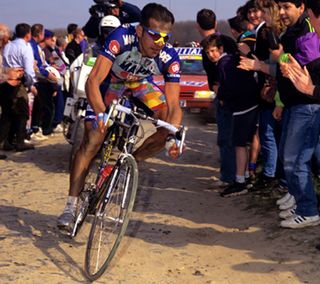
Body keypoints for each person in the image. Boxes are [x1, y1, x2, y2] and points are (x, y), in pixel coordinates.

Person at [57, 3, 183, 232]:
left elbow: (174, 105)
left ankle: (126, 165)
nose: (160, 43)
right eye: (155, 36)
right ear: (140, 31)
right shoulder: (121, 37)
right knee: (93, 138)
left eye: (166, 37)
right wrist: (100, 113)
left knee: (167, 127)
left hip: (139, 85)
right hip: (111, 83)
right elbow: (93, 80)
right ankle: (70, 205)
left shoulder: (169, 56)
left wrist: (174, 134)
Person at [278, 0, 320, 228]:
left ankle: (308, 209)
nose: (282, 12)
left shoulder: (306, 29)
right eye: (279, 8)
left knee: (296, 160)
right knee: (292, 159)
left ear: (303, 8)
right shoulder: (294, 30)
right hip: (297, 103)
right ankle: (301, 203)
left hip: (307, 105)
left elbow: (311, 64)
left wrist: (291, 67)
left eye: (286, 6)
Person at [201, 34, 260, 197]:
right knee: (244, 143)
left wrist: (221, 94)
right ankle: (246, 177)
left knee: (239, 144)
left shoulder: (225, 63)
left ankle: (240, 181)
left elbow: (233, 88)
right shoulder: (232, 60)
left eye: (213, 50)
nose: (211, 55)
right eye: (207, 53)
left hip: (243, 107)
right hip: (250, 104)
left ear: (221, 49)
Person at [196, 8, 237, 188]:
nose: (211, 54)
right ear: (216, 23)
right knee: (231, 139)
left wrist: (220, 92)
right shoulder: (228, 40)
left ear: (198, 26)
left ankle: (230, 176)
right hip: (231, 96)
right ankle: (233, 173)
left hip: (226, 97)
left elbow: (216, 77)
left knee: (226, 139)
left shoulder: (210, 45)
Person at [1, 23, 35, 151]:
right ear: (28, 34)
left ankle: (6, 141)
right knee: (22, 112)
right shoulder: (25, 48)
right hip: (18, 80)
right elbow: (29, 69)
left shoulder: (8, 46)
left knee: (7, 112)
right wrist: (30, 84)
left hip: (5, 80)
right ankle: (20, 141)